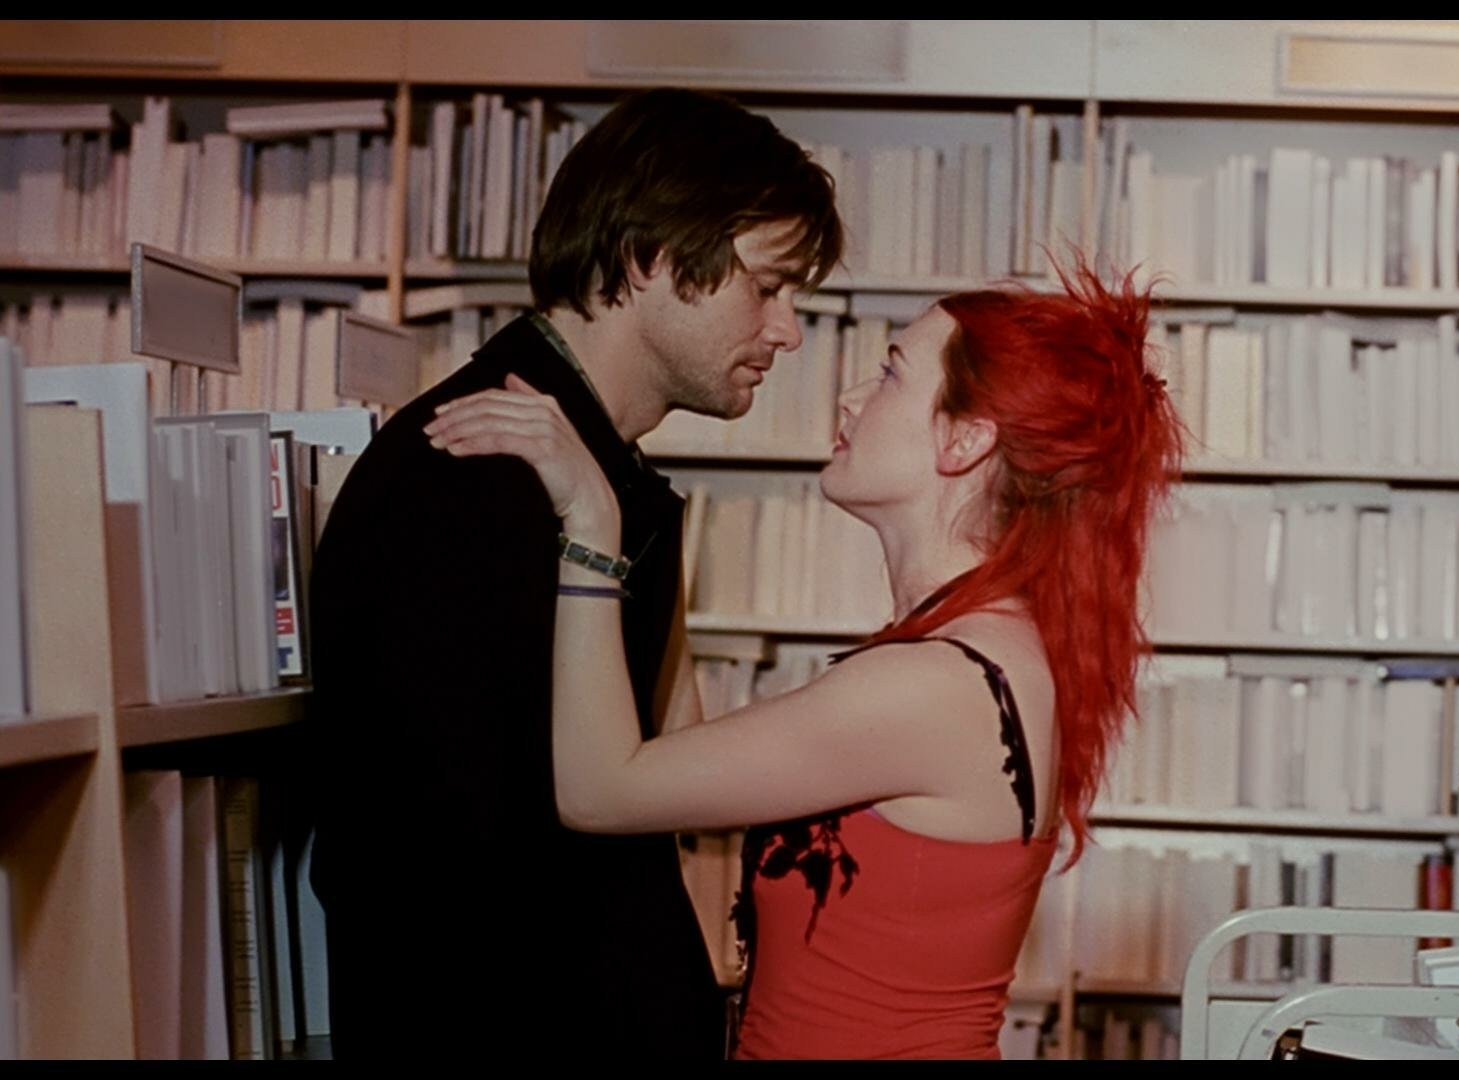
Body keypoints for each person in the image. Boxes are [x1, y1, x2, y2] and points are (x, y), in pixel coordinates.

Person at [420, 261, 1185, 1058]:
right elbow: (684, 773)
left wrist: (591, 524)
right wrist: (649, 533)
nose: (850, 399)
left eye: (890, 374)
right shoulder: (977, 649)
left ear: (964, 439)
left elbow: (599, 789)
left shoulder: (931, 684)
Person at [304, 87, 842, 1058]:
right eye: (768, 287)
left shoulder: (599, 477)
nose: (790, 331)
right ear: (648, 261)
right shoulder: (470, 477)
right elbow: (454, 881)